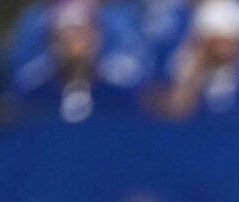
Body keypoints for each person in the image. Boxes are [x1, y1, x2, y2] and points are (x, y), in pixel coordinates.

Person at [11, 0, 147, 122]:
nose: (71, 43)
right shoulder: (36, 21)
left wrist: (96, 71)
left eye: (80, 35)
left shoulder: (117, 21)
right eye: (63, 38)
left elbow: (139, 82)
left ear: (96, 37)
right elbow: (20, 86)